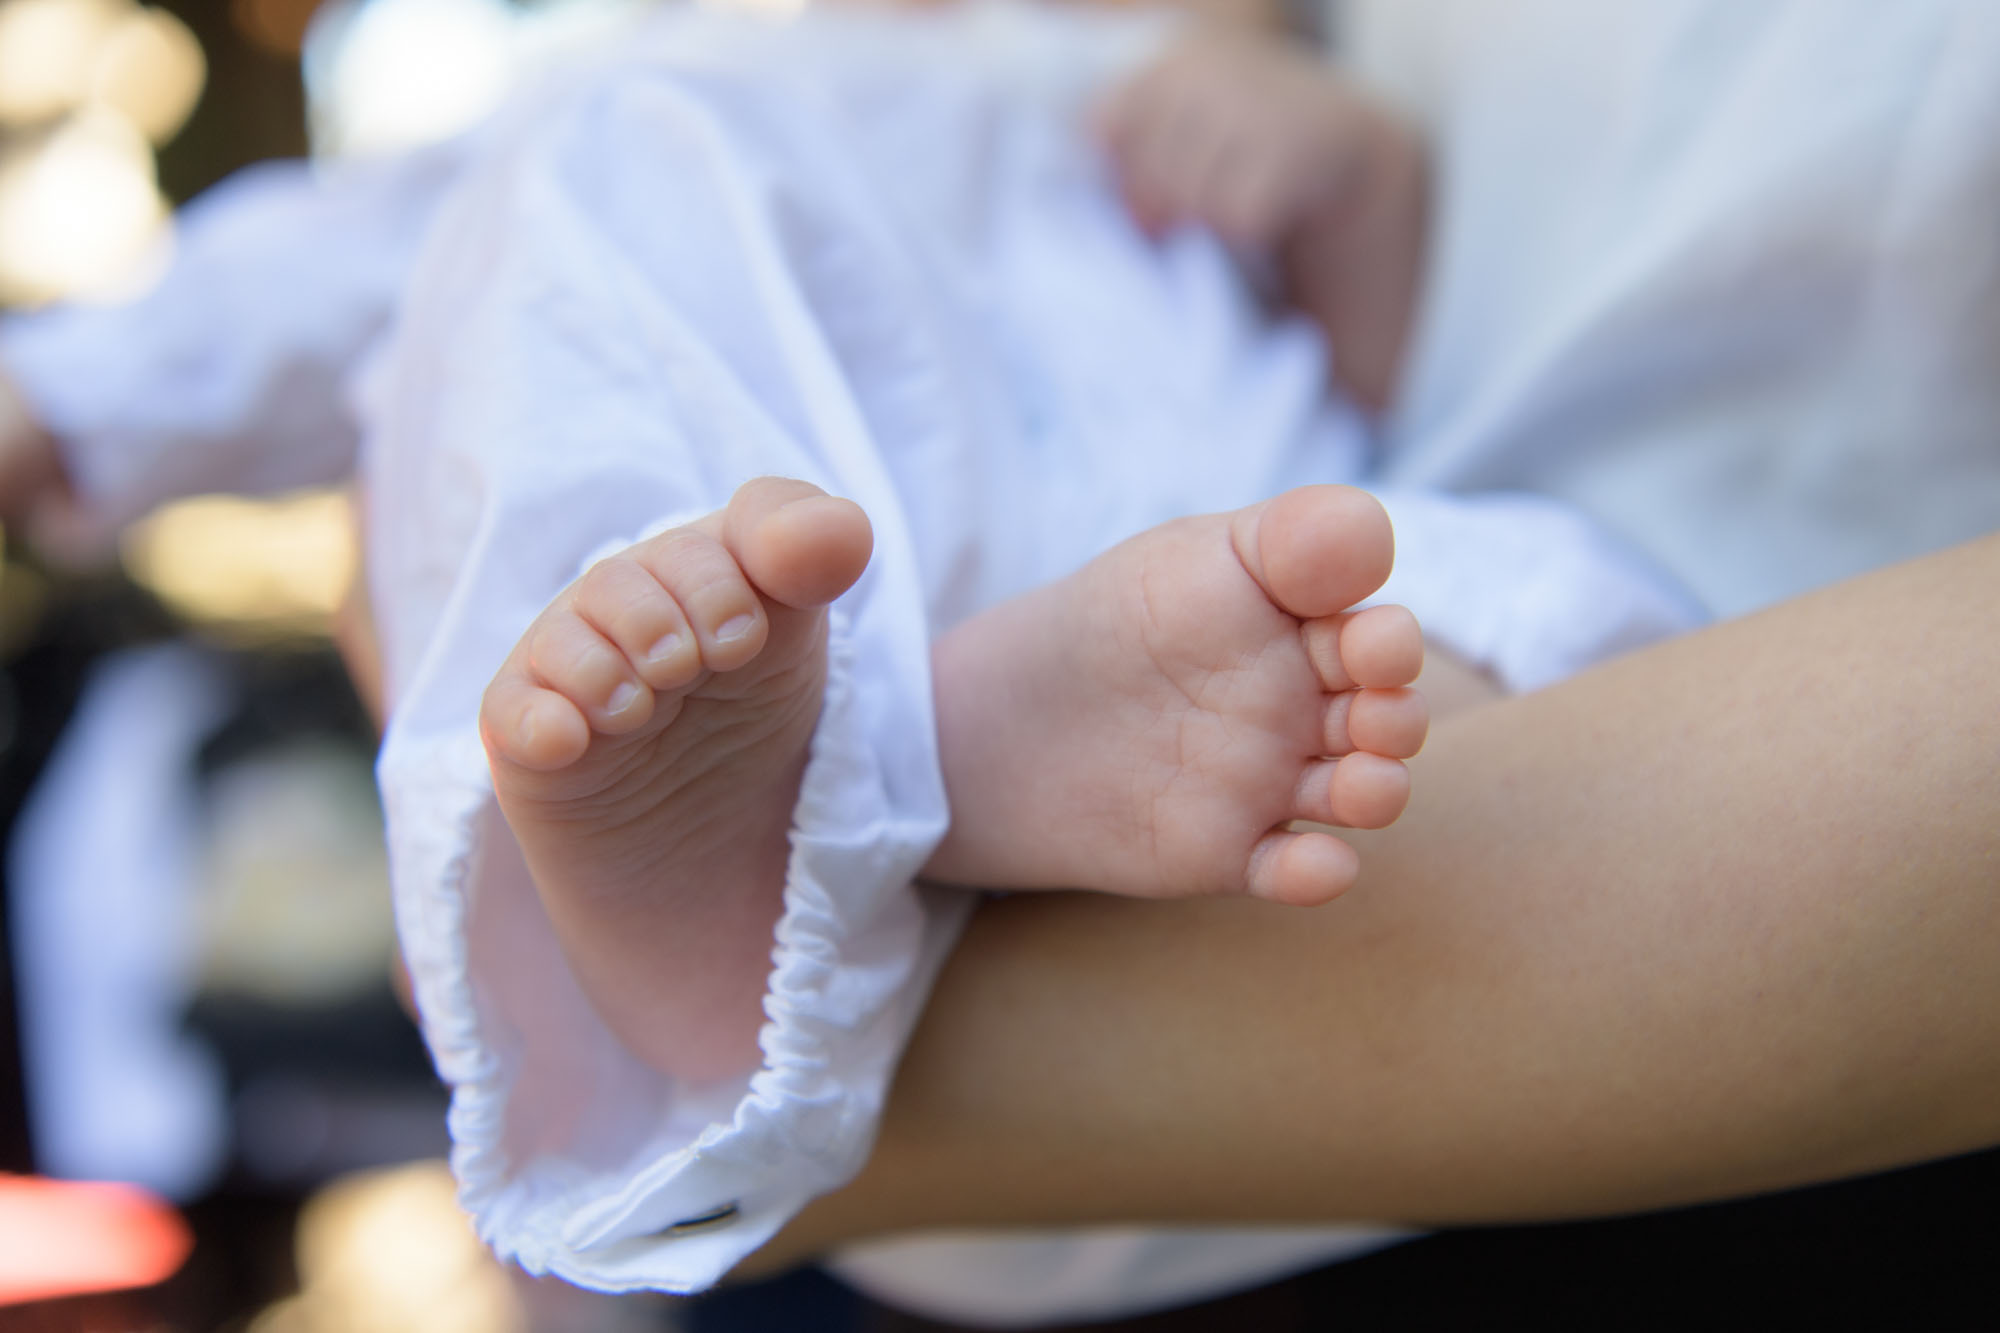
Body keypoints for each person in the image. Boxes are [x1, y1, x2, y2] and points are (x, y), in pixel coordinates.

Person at [0, 0, 1695, 1317]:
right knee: (554, 273)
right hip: (779, 566)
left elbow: (1423, 405)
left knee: (1518, 586)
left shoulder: (1200, 102)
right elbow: (305, 278)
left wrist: (1349, 186)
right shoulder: (695, 89)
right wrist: (73, 394)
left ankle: (919, 775)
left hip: (1180, 607)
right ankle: (730, 872)